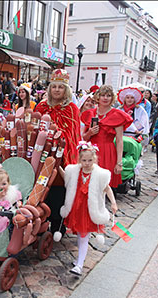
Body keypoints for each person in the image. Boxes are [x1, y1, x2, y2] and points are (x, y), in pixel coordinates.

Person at [33, 69, 82, 235]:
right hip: (43, 154)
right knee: (40, 188)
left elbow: (73, 134)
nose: (57, 90)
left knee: (57, 191)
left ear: (66, 89)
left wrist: (57, 137)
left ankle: (57, 225)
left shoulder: (72, 109)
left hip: (62, 158)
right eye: (54, 86)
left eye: (60, 87)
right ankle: (39, 221)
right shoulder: (41, 106)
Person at [59, 141, 118, 276]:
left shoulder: (99, 174)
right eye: (84, 160)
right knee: (80, 234)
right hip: (77, 208)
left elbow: (107, 188)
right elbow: (66, 179)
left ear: (95, 159)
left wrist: (113, 203)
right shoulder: (74, 171)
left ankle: (79, 265)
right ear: (79, 159)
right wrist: (57, 167)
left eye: (90, 160)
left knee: (84, 235)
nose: (87, 163)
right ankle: (79, 259)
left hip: (89, 210)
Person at [82, 85, 133, 188]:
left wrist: (119, 163)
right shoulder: (89, 113)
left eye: (108, 95)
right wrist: (90, 133)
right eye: (103, 95)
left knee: (103, 184)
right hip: (90, 151)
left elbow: (119, 140)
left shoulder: (117, 115)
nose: (105, 98)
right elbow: (83, 138)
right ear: (98, 97)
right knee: (88, 182)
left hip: (107, 151)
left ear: (112, 98)